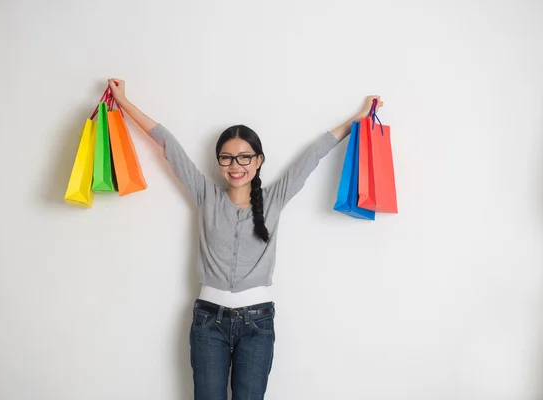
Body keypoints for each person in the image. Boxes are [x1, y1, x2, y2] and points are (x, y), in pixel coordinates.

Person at [107, 78, 383, 400]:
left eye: (244, 157)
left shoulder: (274, 199)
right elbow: (169, 144)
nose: (235, 165)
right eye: (226, 157)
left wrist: (358, 119)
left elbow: (314, 155)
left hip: (258, 325)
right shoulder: (205, 195)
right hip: (208, 322)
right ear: (218, 162)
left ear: (258, 160)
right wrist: (123, 102)